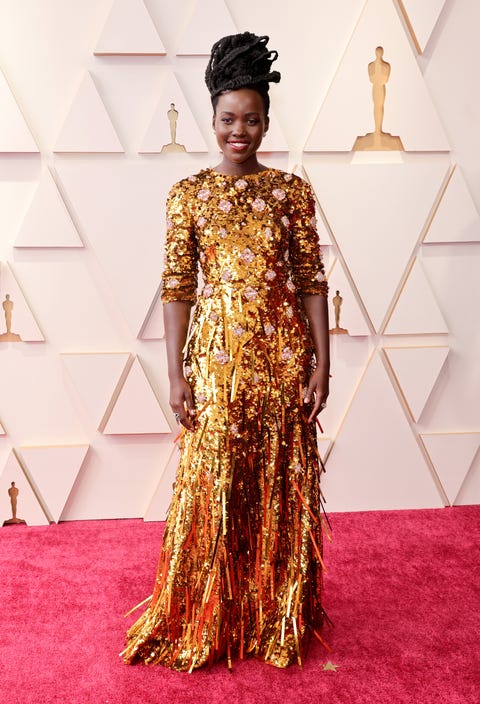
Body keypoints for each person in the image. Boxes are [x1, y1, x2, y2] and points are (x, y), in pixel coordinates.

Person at [122, 32, 330, 671]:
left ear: (267, 122)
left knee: (278, 490)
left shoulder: (292, 192)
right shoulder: (187, 195)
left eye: (252, 119)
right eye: (227, 119)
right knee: (213, 488)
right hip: (213, 365)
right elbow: (177, 289)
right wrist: (176, 372)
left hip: (281, 363)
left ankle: (277, 611)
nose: (239, 131)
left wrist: (322, 363)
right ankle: (211, 613)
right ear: (212, 119)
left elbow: (310, 283)